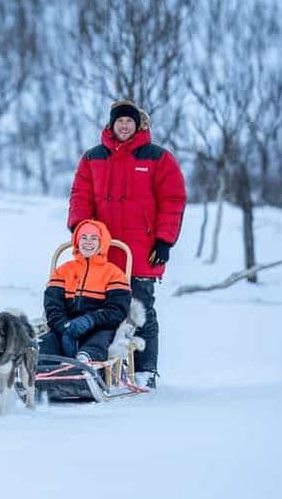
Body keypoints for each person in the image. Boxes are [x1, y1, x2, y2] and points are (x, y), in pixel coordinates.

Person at [67, 99, 186, 388]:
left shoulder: (158, 158)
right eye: (119, 121)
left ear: (138, 124)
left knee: (140, 310)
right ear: (111, 124)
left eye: (129, 121)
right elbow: (80, 196)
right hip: (102, 252)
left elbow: (173, 201)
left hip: (143, 251)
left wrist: (164, 240)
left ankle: (145, 370)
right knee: (99, 311)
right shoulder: (93, 158)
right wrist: (79, 229)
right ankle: (100, 366)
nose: (124, 125)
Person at [40, 219, 131, 364]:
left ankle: (85, 362)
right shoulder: (63, 271)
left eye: (94, 238)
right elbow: (52, 305)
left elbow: (117, 311)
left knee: (101, 339)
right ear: (77, 241)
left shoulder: (114, 274)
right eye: (84, 237)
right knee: (47, 341)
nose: (88, 242)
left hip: (98, 328)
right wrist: (63, 326)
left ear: (102, 242)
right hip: (65, 327)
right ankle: (43, 367)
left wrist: (89, 320)